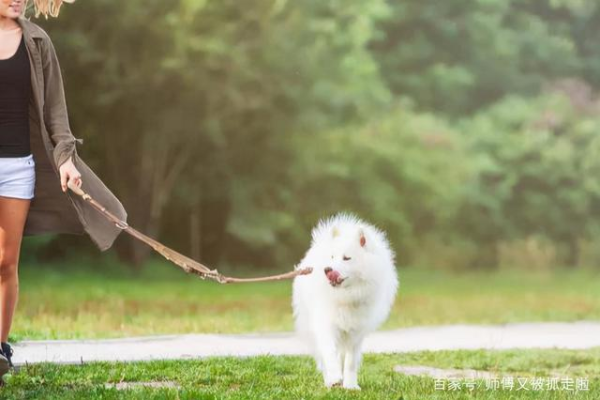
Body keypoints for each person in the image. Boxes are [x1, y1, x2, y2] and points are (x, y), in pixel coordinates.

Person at [0, 0, 127, 376]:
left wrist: (66, 160)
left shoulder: (37, 42)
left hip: (18, 168)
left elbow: (56, 112)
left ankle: (0, 349)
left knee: (5, 263)